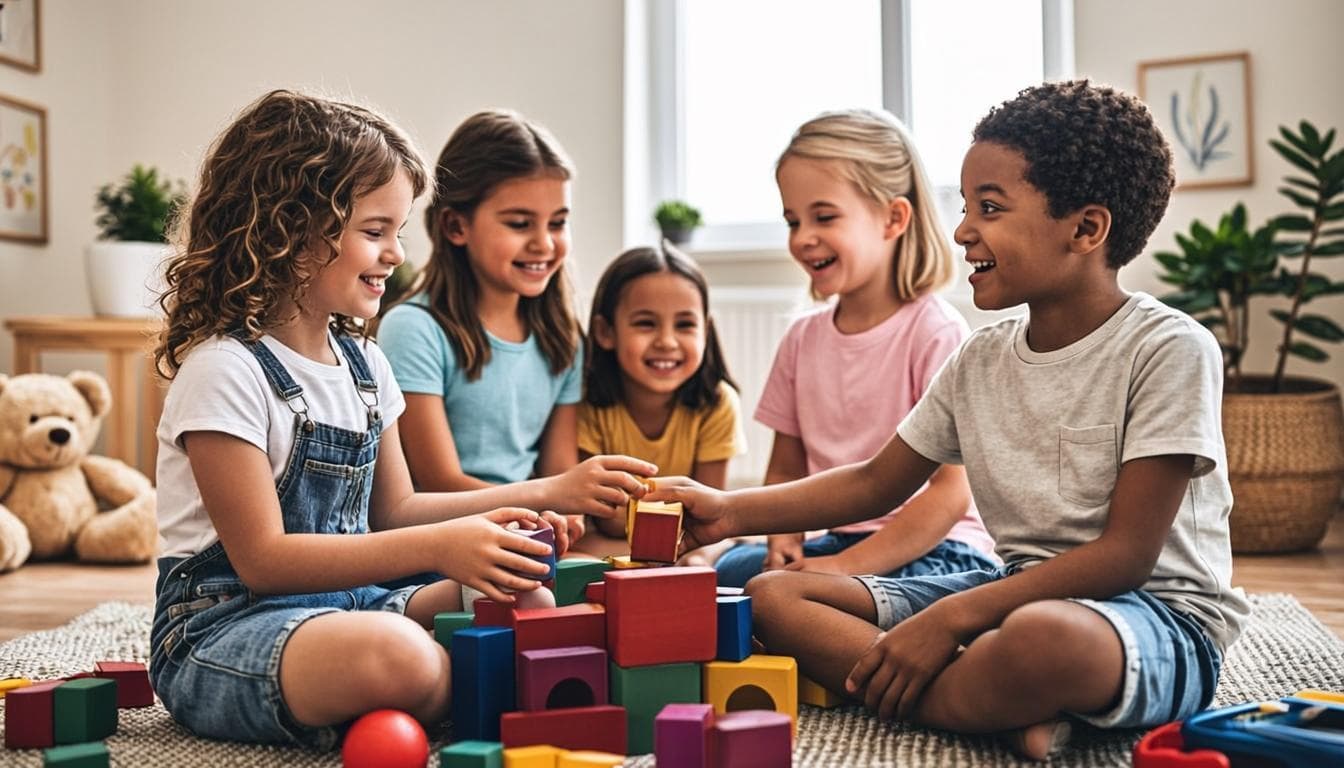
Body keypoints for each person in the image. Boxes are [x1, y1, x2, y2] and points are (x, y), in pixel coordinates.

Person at [647, 81, 1249, 760]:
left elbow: (1126, 555)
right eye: (966, 207)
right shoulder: (981, 357)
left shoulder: (1169, 349)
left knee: (1043, 639)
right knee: (773, 594)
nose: (963, 230)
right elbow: (877, 482)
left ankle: (951, 691)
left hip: (1153, 615)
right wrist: (729, 512)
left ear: (1085, 229)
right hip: (1007, 592)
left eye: (989, 209)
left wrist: (949, 618)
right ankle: (984, 703)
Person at [149, 90, 575, 749]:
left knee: (527, 600)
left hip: (353, 603)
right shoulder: (223, 370)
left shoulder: (365, 365)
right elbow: (262, 561)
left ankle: (437, 687)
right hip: (224, 630)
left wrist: (490, 530)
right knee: (400, 655)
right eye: (375, 232)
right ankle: (449, 686)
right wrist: (440, 549)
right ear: (287, 231)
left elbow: (397, 510)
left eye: (397, 233)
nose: (396, 254)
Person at [713, 109, 996, 588]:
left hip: (939, 549)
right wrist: (784, 539)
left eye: (824, 216)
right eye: (791, 221)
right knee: (726, 573)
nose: (803, 238)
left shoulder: (935, 332)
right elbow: (785, 469)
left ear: (893, 218)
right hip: (842, 542)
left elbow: (949, 496)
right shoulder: (801, 339)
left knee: (799, 594)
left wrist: (842, 571)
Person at [377, 110, 652, 548]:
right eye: (520, 223)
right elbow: (437, 482)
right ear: (456, 225)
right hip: (443, 540)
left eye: (558, 223)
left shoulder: (561, 336)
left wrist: (568, 511)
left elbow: (559, 470)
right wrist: (546, 501)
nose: (544, 242)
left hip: (528, 527)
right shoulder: (414, 328)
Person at [567, 242, 746, 562]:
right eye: (646, 323)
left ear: (705, 331)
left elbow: (707, 516)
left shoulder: (717, 402)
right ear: (606, 332)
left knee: (707, 558)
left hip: (692, 540)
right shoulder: (586, 404)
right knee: (576, 560)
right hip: (610, 540)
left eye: (685, 325)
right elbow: (608, 520)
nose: (666, 341)